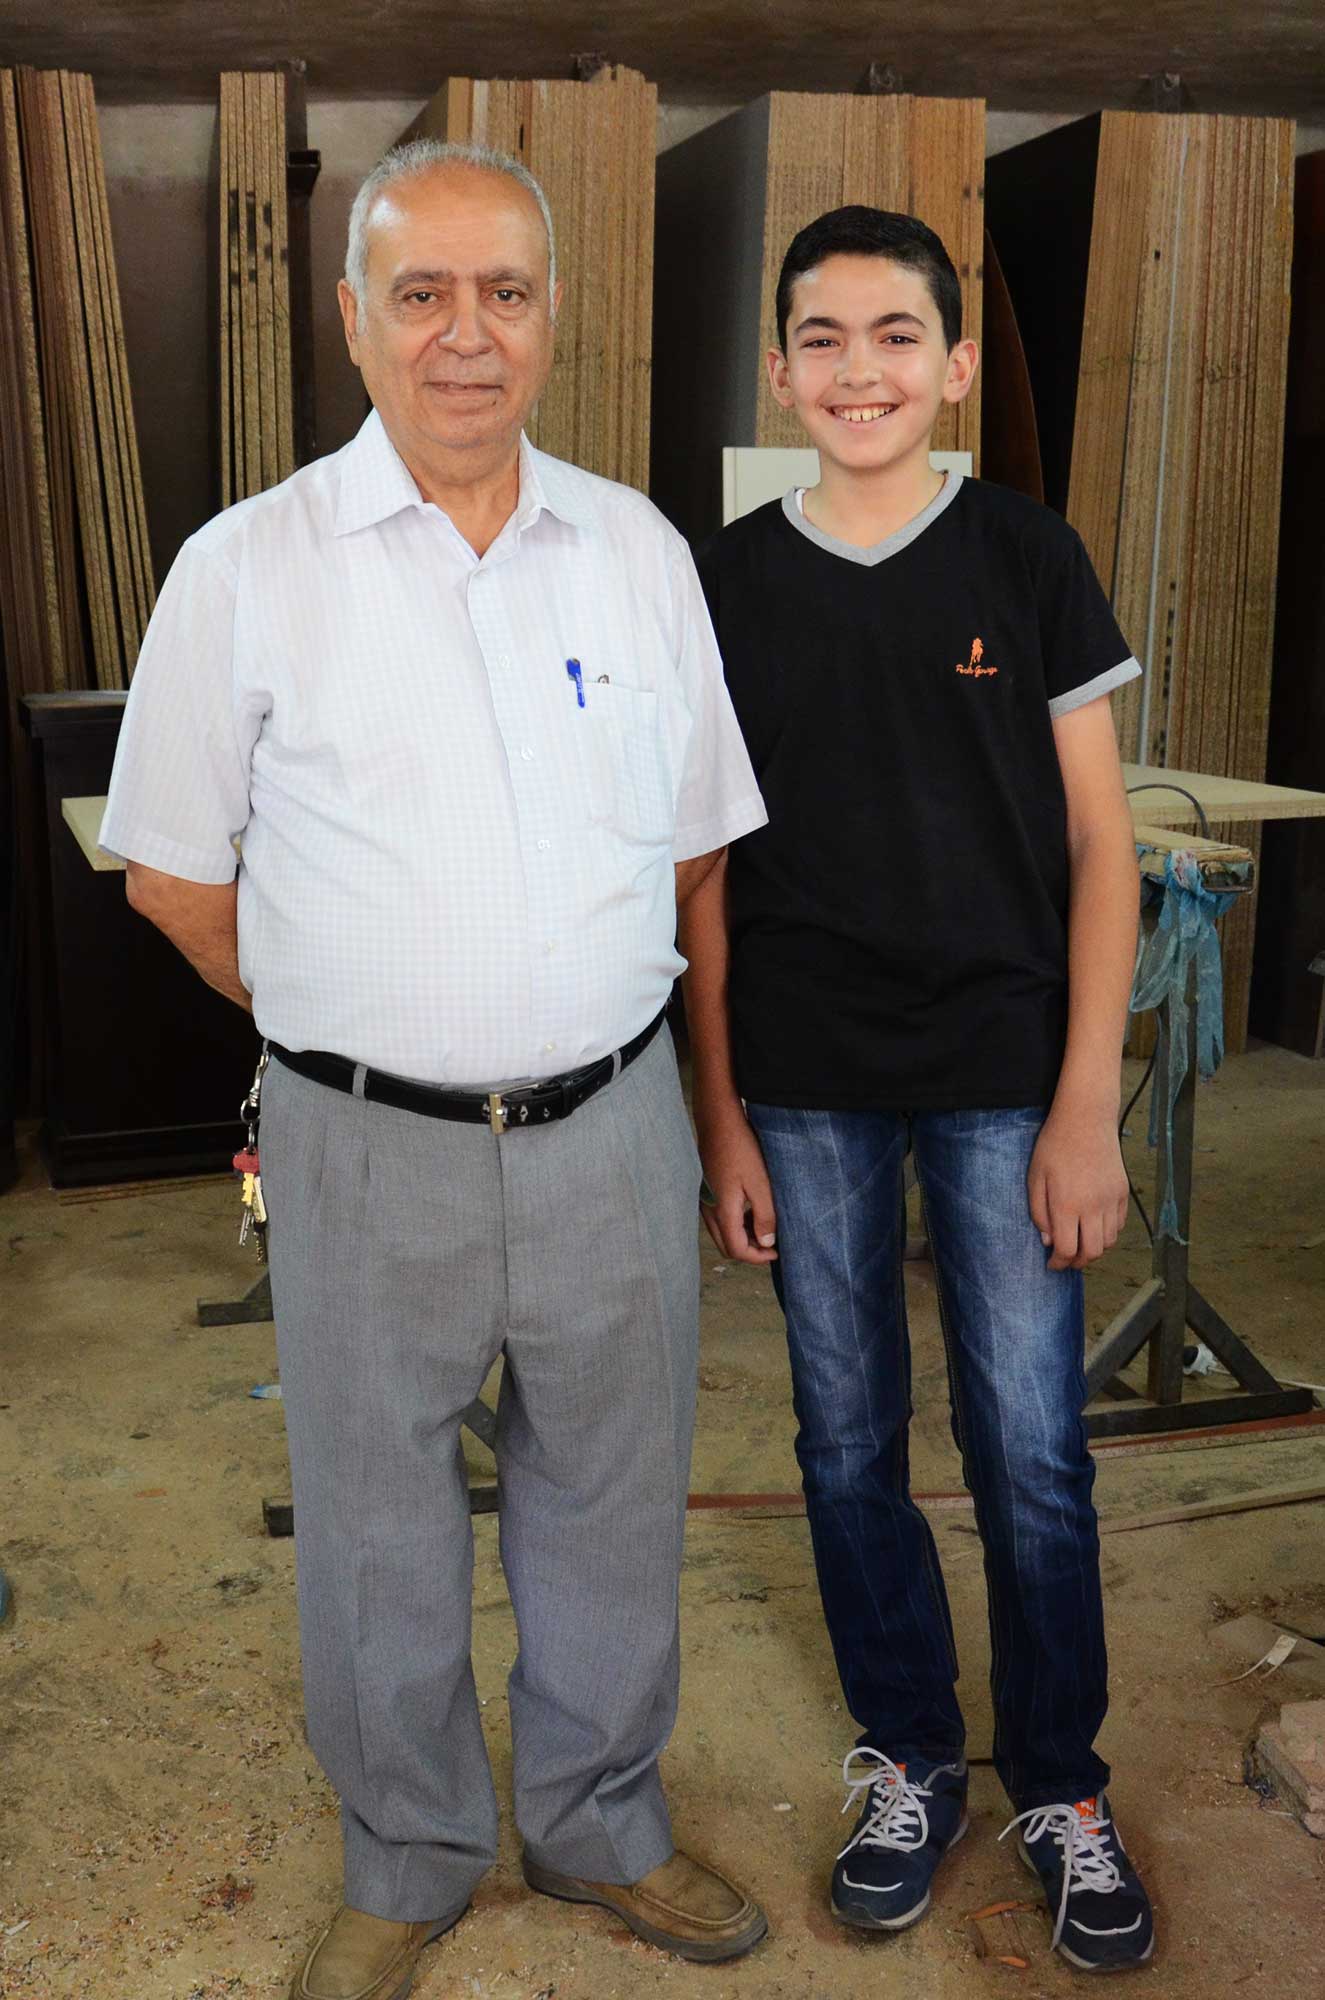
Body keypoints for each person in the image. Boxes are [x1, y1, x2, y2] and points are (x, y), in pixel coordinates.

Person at [101, 140, 769, 2000]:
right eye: (421, 293)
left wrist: (703, 1108)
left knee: (615, 1492)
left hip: (613, 1127)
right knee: (379, 1513)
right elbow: (170, 876)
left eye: (505, 293)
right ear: (353, 318)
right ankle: (406, 1855)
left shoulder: (636, 557)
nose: (465, 336)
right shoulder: (247, 570)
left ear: (551, 316)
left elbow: (699, 850)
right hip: (358, 1141)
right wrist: (351, 1022)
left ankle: (598, 1823)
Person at [683, 205, 1155, 1973]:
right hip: (800, 1083)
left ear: (954, 367)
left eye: (896, 336)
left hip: (998, 1076)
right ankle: (912, 1760)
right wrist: (717, 1113)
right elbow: (706, 875)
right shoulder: (726, 579)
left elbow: (1102, 850)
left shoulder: (1026, 559)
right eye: (822, 336)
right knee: (840, 1441)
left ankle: (1059, 1783)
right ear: (780, 367)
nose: (858, 368)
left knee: (1030, 1449)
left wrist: (1084, 1099)